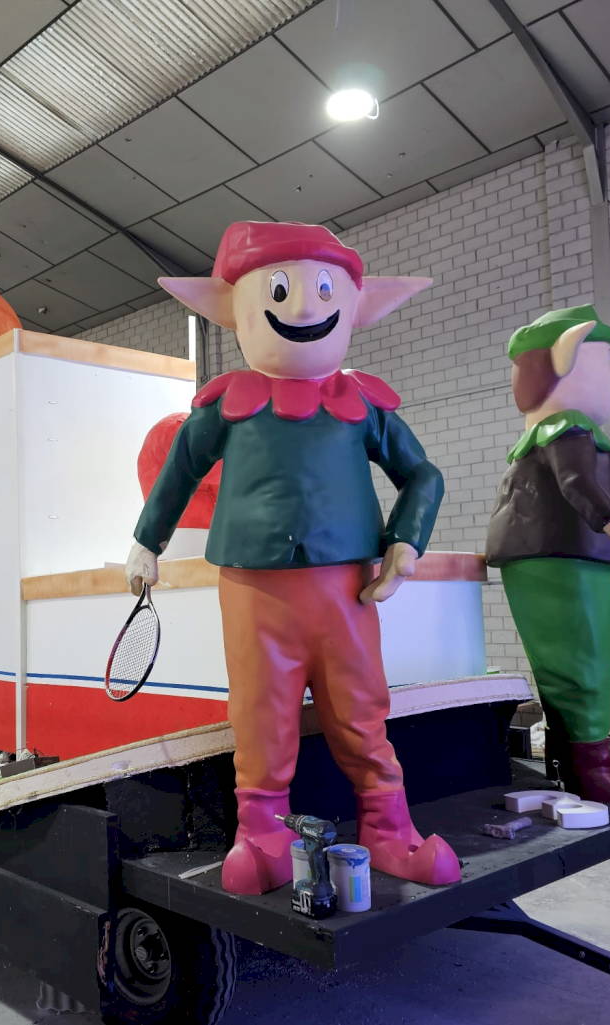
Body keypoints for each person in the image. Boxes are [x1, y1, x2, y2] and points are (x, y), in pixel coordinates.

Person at [125, 221, 460, 893]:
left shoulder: (361, 405)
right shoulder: (227, 407)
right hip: (254, 592)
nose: (305, 306)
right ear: (236, 308)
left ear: (355, 307)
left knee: (361, 712)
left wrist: (406, 539)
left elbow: (422, 475)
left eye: (325, 290)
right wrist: (146, 540)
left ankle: (389, 828)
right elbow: (178, 471)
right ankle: (261, 833)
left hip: (346, 590)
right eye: (281, 290)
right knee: (260, 716)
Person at [485, 306, 610, 805]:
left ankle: (580, 762)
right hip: (566, 557)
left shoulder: (544, 436)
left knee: (569, 663)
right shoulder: (564, 427)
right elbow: (576, 480)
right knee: (583, 660)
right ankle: (594, 774)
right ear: (565, 361)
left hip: (555, 554)